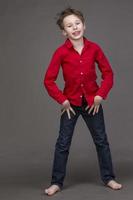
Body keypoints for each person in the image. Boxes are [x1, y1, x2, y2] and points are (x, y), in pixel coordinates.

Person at [43, 7, 122, 196]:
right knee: (63, 143)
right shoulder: (60, 53)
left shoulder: (94, 48)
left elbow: (108, 74)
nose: (75, 27)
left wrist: (100, 95)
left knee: (101, 141)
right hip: (70, 106)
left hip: (92, 104)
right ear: (64, 31)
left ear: (84, 26)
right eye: (69, 26)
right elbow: (48, 80)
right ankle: (56, 182)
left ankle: (109, 178)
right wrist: (62, 100)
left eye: (77, 23)